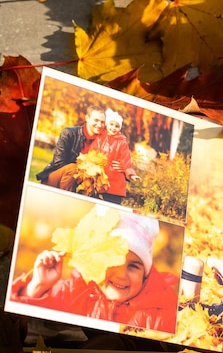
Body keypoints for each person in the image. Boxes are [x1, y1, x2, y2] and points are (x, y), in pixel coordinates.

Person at [11, 208, 179, 333]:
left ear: (145, 274)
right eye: (112, 260)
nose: (121, 274)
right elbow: (18, 324)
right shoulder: (69, 293)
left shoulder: (161, 314)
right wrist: (38, 286)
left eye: (133, 266)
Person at [36, 106, 107, 191]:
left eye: (102, 122)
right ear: (87, 118)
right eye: (96, 120)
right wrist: (83, 175)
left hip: (80, 181)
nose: (99, 125)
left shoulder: (102, 142)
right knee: (73, 168)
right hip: (55, 178)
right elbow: (58, 163)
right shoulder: (69, 133)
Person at [88, 108, 141, 205]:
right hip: (101, 178)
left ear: (119, 128)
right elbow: (92, 152)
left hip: (115, 181)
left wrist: (131, 174)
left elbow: (126, 161)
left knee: (113, 204)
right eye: (111, 124)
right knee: (99, 203)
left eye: (117, 126)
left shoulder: (122, 143)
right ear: (107, 125)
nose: (113, 128)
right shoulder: (99, 139)